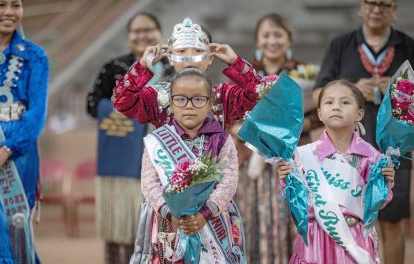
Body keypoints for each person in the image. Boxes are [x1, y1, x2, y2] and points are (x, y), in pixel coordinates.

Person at [313, 1, 414, 263]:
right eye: (371, 2)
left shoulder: (408, 46)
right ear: (361, 5)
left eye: (385, 4)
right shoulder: (341, 45)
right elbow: (317, 95)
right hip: (347, 150)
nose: (377, 9)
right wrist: (352, 90)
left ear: (395, 8)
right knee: (350, 222)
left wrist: (398, 96)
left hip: (394, 150)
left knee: (392, 223)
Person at [230, 13, 321, 263]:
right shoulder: (244, 74)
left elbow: (316, 115)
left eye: (278, 34)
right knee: (255, 215)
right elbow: (232, 115)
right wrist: (248, 130)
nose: (272, 40)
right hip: (254, 158)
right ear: (258, 41)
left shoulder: (305, 73)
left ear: (288, 39)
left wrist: (292, 129)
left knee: (290, 214)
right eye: (266, 35)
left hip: (291, 158)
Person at [86, 13, 172, 264]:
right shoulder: (114, 67)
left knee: (163, 229)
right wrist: (121, 112)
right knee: (124, 229)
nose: (142, 35)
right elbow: (91, 104)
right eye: (136, 31)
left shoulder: (174, 67)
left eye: (148, 30)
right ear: (127, 36)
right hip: (123, 159)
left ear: (159, 32)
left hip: (166, 159)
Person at [279, 80, 395, 263]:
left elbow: (377, 204)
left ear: (360, 114)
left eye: (345, 102)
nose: (336, 107)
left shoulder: (373, 157)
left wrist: (385, 182)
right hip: (316, 241)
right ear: (320, 114)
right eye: (329, 102)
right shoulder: (303, 155)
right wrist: (287, 180)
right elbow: (295, 205)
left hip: (355, 240)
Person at [141, 69, 245, 263]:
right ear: (171, 103)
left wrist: (205, 213)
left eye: (198, 99)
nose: (189, 106)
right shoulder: (157, 141)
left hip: (214, 220)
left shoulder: (221, 139)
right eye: (181, 99)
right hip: (171, 223)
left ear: (210, 103)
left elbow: (228, 179)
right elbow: (149, 182)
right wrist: (169, 212)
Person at [0, 0, 49, 263]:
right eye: (1, 4)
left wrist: (5, 151)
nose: (9, 12)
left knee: (11, 230)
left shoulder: (35, 56)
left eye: (16, 5)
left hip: (19, 153)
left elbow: (36, 116)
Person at [112, 17, 274, 130]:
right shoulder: (156, 96)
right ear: (171, 59)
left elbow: (260, 96)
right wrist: (142, 66)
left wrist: (235, 62)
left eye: (197, 51)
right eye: (181, 51)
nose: (190, 58)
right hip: (167, 175)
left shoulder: (224, 96)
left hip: (218, 176)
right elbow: (122, 103)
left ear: (210, 58)